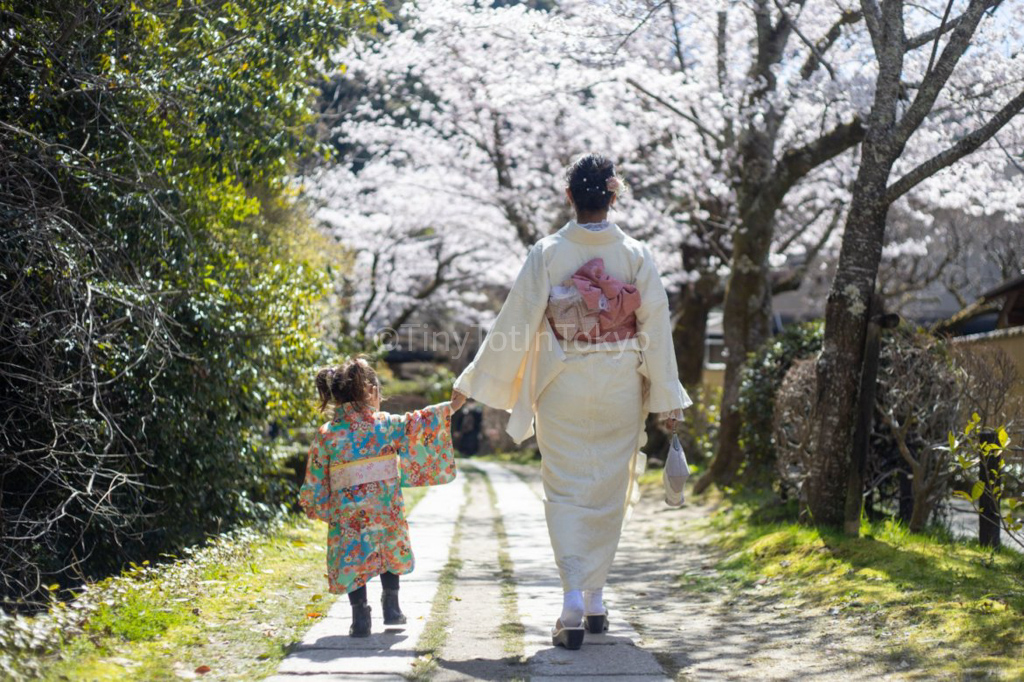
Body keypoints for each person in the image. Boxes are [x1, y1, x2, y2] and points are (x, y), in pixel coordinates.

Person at [452, 154, 690, 650]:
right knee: (609, 486)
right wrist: (666, 396)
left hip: (562, 382)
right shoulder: (637, 254)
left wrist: (473, 381)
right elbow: (656, 330)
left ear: (569, 197)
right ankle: (597, 599)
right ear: (614, 194)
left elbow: (515, 322)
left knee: (564, 490)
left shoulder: (547, 252)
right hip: (621, 382)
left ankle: (574, 604)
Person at [300, 356, 466, 637]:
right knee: (389, 553)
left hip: (348, 515)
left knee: (352, 558)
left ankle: (360, 617)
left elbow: (316, 476)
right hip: (385, 509)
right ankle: (392, 607)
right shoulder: (385, 424)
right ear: (371, 392)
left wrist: (313, 502)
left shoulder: (327, 434)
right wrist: (452, 407)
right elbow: (418, 424)